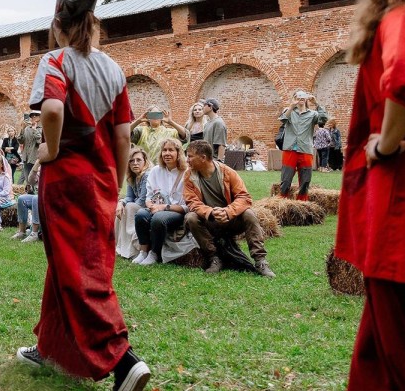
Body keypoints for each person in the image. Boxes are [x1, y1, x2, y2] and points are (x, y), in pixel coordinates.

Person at [14, 0, 150, 391]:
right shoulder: (114, 69)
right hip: (100, 181)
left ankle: (124, 362)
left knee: (79, 270)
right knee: (68, 262)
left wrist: (50, 150)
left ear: (59, 21)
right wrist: (113, 180)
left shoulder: (54, 62)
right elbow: (124, 134)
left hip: (66, 181)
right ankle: (51, 346)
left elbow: (51, 110)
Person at [335, 0, 405, 391]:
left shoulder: (401, 17)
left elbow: (404, 80)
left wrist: (384, 147)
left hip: (401, 215)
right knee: (376, 357)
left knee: (400, 362)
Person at [183, 140, 275, 278]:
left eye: (190, 156)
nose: (187, 160)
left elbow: (244, 197)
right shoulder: (189, 176)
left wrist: (228, 212)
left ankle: (260, 260)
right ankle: (214, 258)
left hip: (230, 219)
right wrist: (211, 212)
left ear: (203, 158)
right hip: (209, 221)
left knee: (249, 214)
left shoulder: (227, 172)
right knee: (190, 217)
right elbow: (192, 202)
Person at [131, 138, 196, 266]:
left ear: (178, 153)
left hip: (176, 211)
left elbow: (187, 207)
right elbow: (149, 197)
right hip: (156, 207)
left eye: (171, 150)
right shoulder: (155, 171)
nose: (167, 153)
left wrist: (163, 207)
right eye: (164, 150)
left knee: (159, 219)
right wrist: (151, 205)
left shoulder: (187, 173)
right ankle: (143, 251)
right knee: (140, 214)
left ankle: (154, 253)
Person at [278, 91, 328, 200]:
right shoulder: (289, 111)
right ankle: (281, 202)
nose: (301, 98)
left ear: (306, 99)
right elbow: (282, 120)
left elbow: (323, 119)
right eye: (298, 96)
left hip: (305, 150)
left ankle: (302, 203)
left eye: (303, 96)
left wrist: (317, 104)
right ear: (294, 98)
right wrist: (291, 106)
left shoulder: (313, 114)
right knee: (286, 179)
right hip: (290, 150)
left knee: (305, 181)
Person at [115, 148, 150, 259]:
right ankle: (119, 246)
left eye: (138, 160)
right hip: (137, 205)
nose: (135, 163)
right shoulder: (132, 176)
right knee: (120, 209)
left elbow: (142, 200)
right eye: (131, 161)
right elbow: (129, 197)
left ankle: (134, 248)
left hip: (148, 206)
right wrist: (121, 203)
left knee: (128, 207)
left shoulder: (147, 175)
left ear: (145, 161)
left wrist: (126, 204)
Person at [13, 159, 42, 243]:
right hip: (41, 196)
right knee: (22, 199)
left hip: (52, 198)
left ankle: (34, 233)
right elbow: (31, 181)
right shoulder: (43, 165)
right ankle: (22, 232)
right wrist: (36, 165)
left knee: (36, 198)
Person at [19, 111, 42, 188]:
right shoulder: (27, 129)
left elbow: (40, 141)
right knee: (28, 181)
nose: (33, 117)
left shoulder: (43, 129)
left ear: (40, 117)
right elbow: (21, 141)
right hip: (26, 158)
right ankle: (29, 195)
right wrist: (22, 129)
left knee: (36, 181)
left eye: (36, 115)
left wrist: (35, 129)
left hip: (36, 159)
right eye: (32, 116)